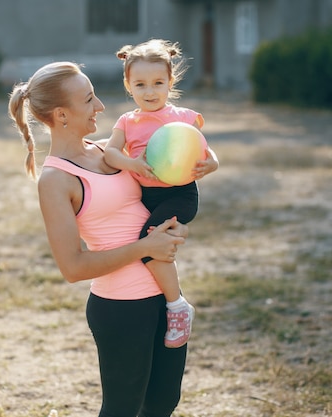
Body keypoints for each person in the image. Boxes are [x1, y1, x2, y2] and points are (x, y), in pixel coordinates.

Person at [8, 61, 190, 417]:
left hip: (166, 299)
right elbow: (73, 267)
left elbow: (160, 199)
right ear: (61, 115)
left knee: (162, 403)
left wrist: (177, 226)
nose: (101, 106)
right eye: (90, 99)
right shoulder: (57, 180)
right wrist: (145, 248)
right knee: (124, 408)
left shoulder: (109, 150)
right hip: (121, 309)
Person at [104, 39, 219, 348]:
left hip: (180, 195)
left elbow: (206, 151)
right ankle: (160, 302)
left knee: (148, 243)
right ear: (128, 85)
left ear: (171, 82)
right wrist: (133, 164)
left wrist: (213, 164)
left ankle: (177, 306)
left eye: (158, 83)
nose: (150, 91)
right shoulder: (127, 122)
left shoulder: (183, 117)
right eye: (140, 84)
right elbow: (111, 153)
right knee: (146, 247)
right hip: (146, 196)